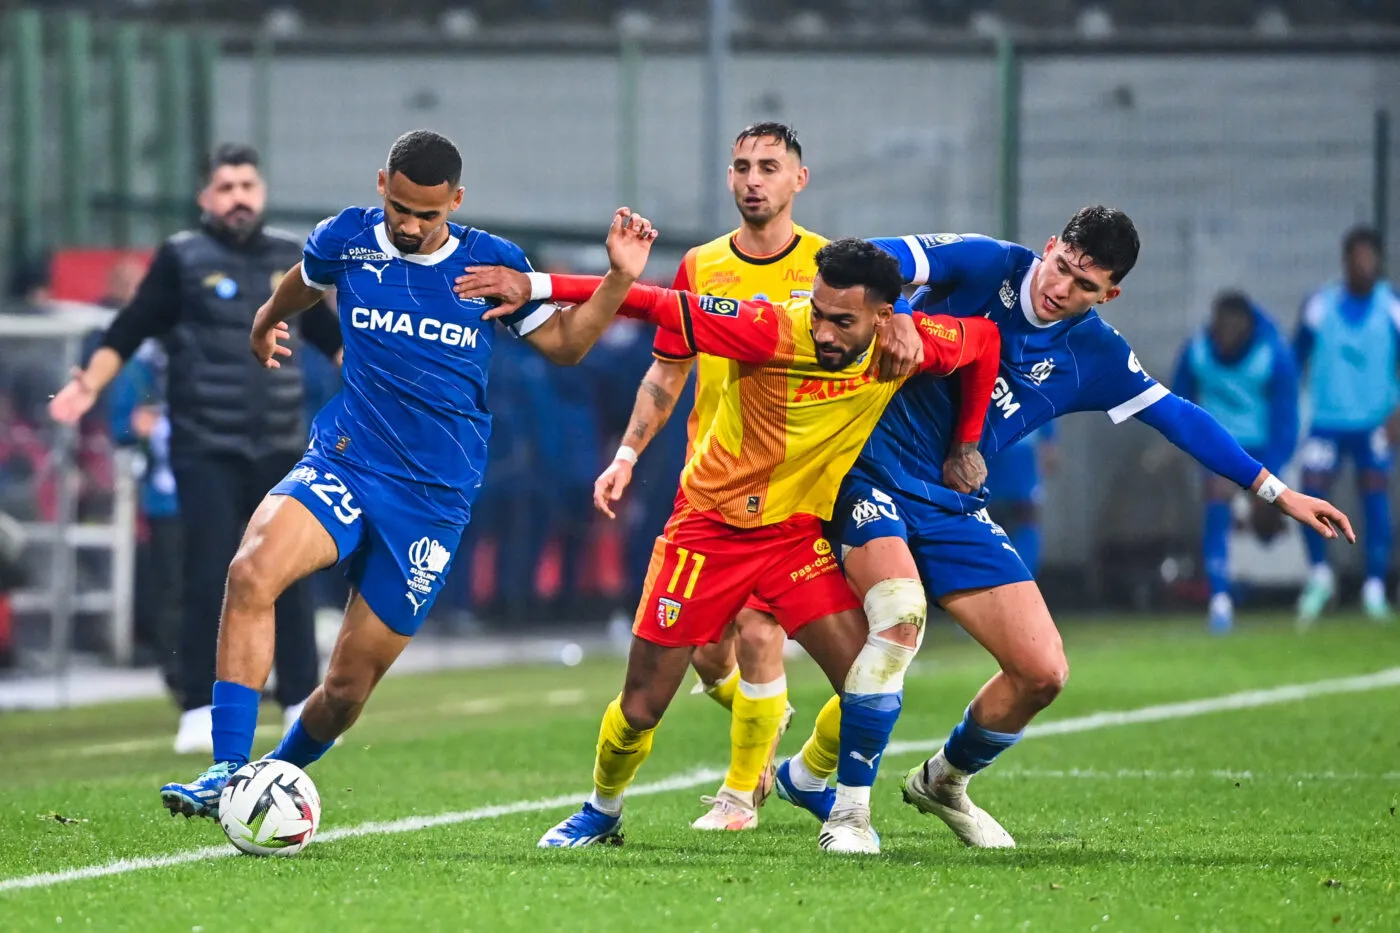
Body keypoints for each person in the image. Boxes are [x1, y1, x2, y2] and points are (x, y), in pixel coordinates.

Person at [768, 209, 1353, 853]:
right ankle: (848, 815)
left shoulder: (1095, 353)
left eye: (1083, 285)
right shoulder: (988, 262)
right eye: (1062, 266)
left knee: (1042, 672)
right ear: (1051, 246)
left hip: (954, 503)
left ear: (1109, 295)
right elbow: (876, 257)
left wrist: (1277, 490)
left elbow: (1180, 418)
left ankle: (943, 781)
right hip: (867, 471)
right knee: (899, 615)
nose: (1061, 287)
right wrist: (898, 312)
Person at [154, 130, 652, 819]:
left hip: (431, 500)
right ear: (381, 183)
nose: (413, 227)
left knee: (346, 689)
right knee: (250, 571)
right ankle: (226, 769)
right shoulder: (347, 238)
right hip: (346, 460)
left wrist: (619, 278)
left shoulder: (490, 265)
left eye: (430, 214)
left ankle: (271, 775)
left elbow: (566, 347)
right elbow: (307, 278)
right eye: (402, 210)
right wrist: (268, 316)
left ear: (456, 200)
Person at [455, 236, 1002, 853]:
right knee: (641, 705)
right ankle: (600, 811)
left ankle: (833, 802)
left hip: (794, 536)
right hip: (708, 532)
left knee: (868, 678)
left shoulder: (913, 341)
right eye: (818, 312)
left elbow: (985, 344)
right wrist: (537, 287)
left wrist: (967, 442)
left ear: (884, 316)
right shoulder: (773, 329)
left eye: (840, 321)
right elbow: (655, 304)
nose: (822, 331)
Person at [590, 122, 898, 831]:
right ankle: (770, 729)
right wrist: (629, 454)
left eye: (769, 166)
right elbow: (668, 370)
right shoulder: (701, 264)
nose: (753, 179)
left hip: (795, 490)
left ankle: (740, 794)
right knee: (706, 652)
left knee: (763, 628)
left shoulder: (832, 268)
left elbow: (887, 334)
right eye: (741, 167)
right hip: (712, 477)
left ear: (799, 179)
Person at [49, 144, 340, 754]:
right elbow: (127, 331)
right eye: (226, 186)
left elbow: (330, 339)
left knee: (289, 574)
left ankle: (297, 702)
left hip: (282, 443)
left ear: (261, 192)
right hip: (205, 444)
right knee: (208, 573)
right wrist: (88, 385)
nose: (239, 196)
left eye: (247, 185)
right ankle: (199, 705)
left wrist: (382, 388)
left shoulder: (291, 257)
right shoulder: (182, 259)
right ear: (206, 197)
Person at [1172, 290, 1299, 632]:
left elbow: (1286, 420)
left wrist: (1267, 474)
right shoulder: (1197, 351)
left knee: (1268, 530)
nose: (1223, 336)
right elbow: (1175, 404)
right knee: (1216, 504)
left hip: (1260, 450)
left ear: (1245, 327)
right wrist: (1198, 451)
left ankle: (1268, 527)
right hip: (1216, 447)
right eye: (1219, 327)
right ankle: (1220, 600)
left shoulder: (1274, 354)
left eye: (1231, 328)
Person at [1294, 227, 1400, 624]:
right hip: (1326, 421)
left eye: (1369, 258)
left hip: (1374, 421)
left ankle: (1374, 586)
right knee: (1311, 493)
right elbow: (1295, 358)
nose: (1363, 265)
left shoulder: (1392, 307)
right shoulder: (1320, 306)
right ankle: (1321, 576)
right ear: (1345, 262)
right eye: (1356, 258)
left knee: (1375, 497)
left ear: (1378, 262)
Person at [983, 423, 1056, 576]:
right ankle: (1023, 582)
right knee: (1024, 533)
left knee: (988, 539)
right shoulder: (1038, 401)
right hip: (1019, 486)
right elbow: (1050, 456)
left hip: (990, 484)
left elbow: (1049, 455)